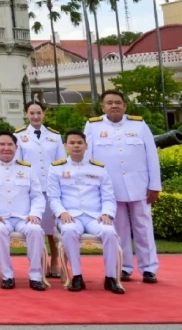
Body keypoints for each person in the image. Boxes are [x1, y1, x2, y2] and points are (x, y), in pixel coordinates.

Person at [85, 90, 161, 283]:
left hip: (139, 186)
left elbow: (151, 156)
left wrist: (155, 185)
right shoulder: (93, 126)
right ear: (102, 107)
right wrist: (91, 188)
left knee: (143, 227)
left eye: (118, 102)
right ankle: (124, 266)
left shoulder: (138, 124)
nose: (114, 106)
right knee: (118, 229)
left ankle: (149, 268)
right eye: (109, 103)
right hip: (110, 189)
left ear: (125, 106)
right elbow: (88, 160)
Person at [48, 129, 123, 294]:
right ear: (65, 145)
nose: (76, 146)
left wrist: (107, 214)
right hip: (70, 216)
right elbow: (53, 197)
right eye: (72, 143)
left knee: (109, 232)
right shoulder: (56, 169)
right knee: (68, 231)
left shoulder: (99, 168)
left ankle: (110, 278)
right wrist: (62, 213)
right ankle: (77, 276)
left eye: (79, 143)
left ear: (86, 145)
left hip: (94, 216)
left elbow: (108, 197)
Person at [0, 131, 46, 291]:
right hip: (0, 218)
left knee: (36, 230)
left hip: (23, 217)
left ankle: (35, 276)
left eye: (10, 145)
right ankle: (7, 276)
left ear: (16, 147)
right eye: (2, 144)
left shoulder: (27, 168)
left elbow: (37, 195)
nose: (6, 148)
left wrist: (34, 213)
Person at [16, 100, 65, 274]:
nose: (35, 116)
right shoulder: (19, 136)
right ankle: (37, 263)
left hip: (51, 189)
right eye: (32, 113)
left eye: (39, 113)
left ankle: (54, 261)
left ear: (44, 114)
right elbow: (18, 166)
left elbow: (61, 163)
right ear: (26, 114)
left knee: (52, 228)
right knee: (34, 227)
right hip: (31, 190)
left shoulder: (54, 136)